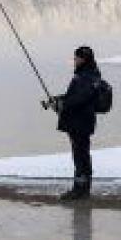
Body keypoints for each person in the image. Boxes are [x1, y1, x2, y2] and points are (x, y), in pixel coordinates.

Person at [48, 46, 100, 200]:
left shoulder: (87, 76)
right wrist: (57, 100)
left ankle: (81, 190)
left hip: (81, 122)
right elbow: (73, 96)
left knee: (80, 155)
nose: (74, 60)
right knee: (80, 154)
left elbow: (80, 99)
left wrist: (62, 105)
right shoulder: (85, 75)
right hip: (79, 121)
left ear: (83, 59)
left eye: (76, 58)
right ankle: (81, 188)